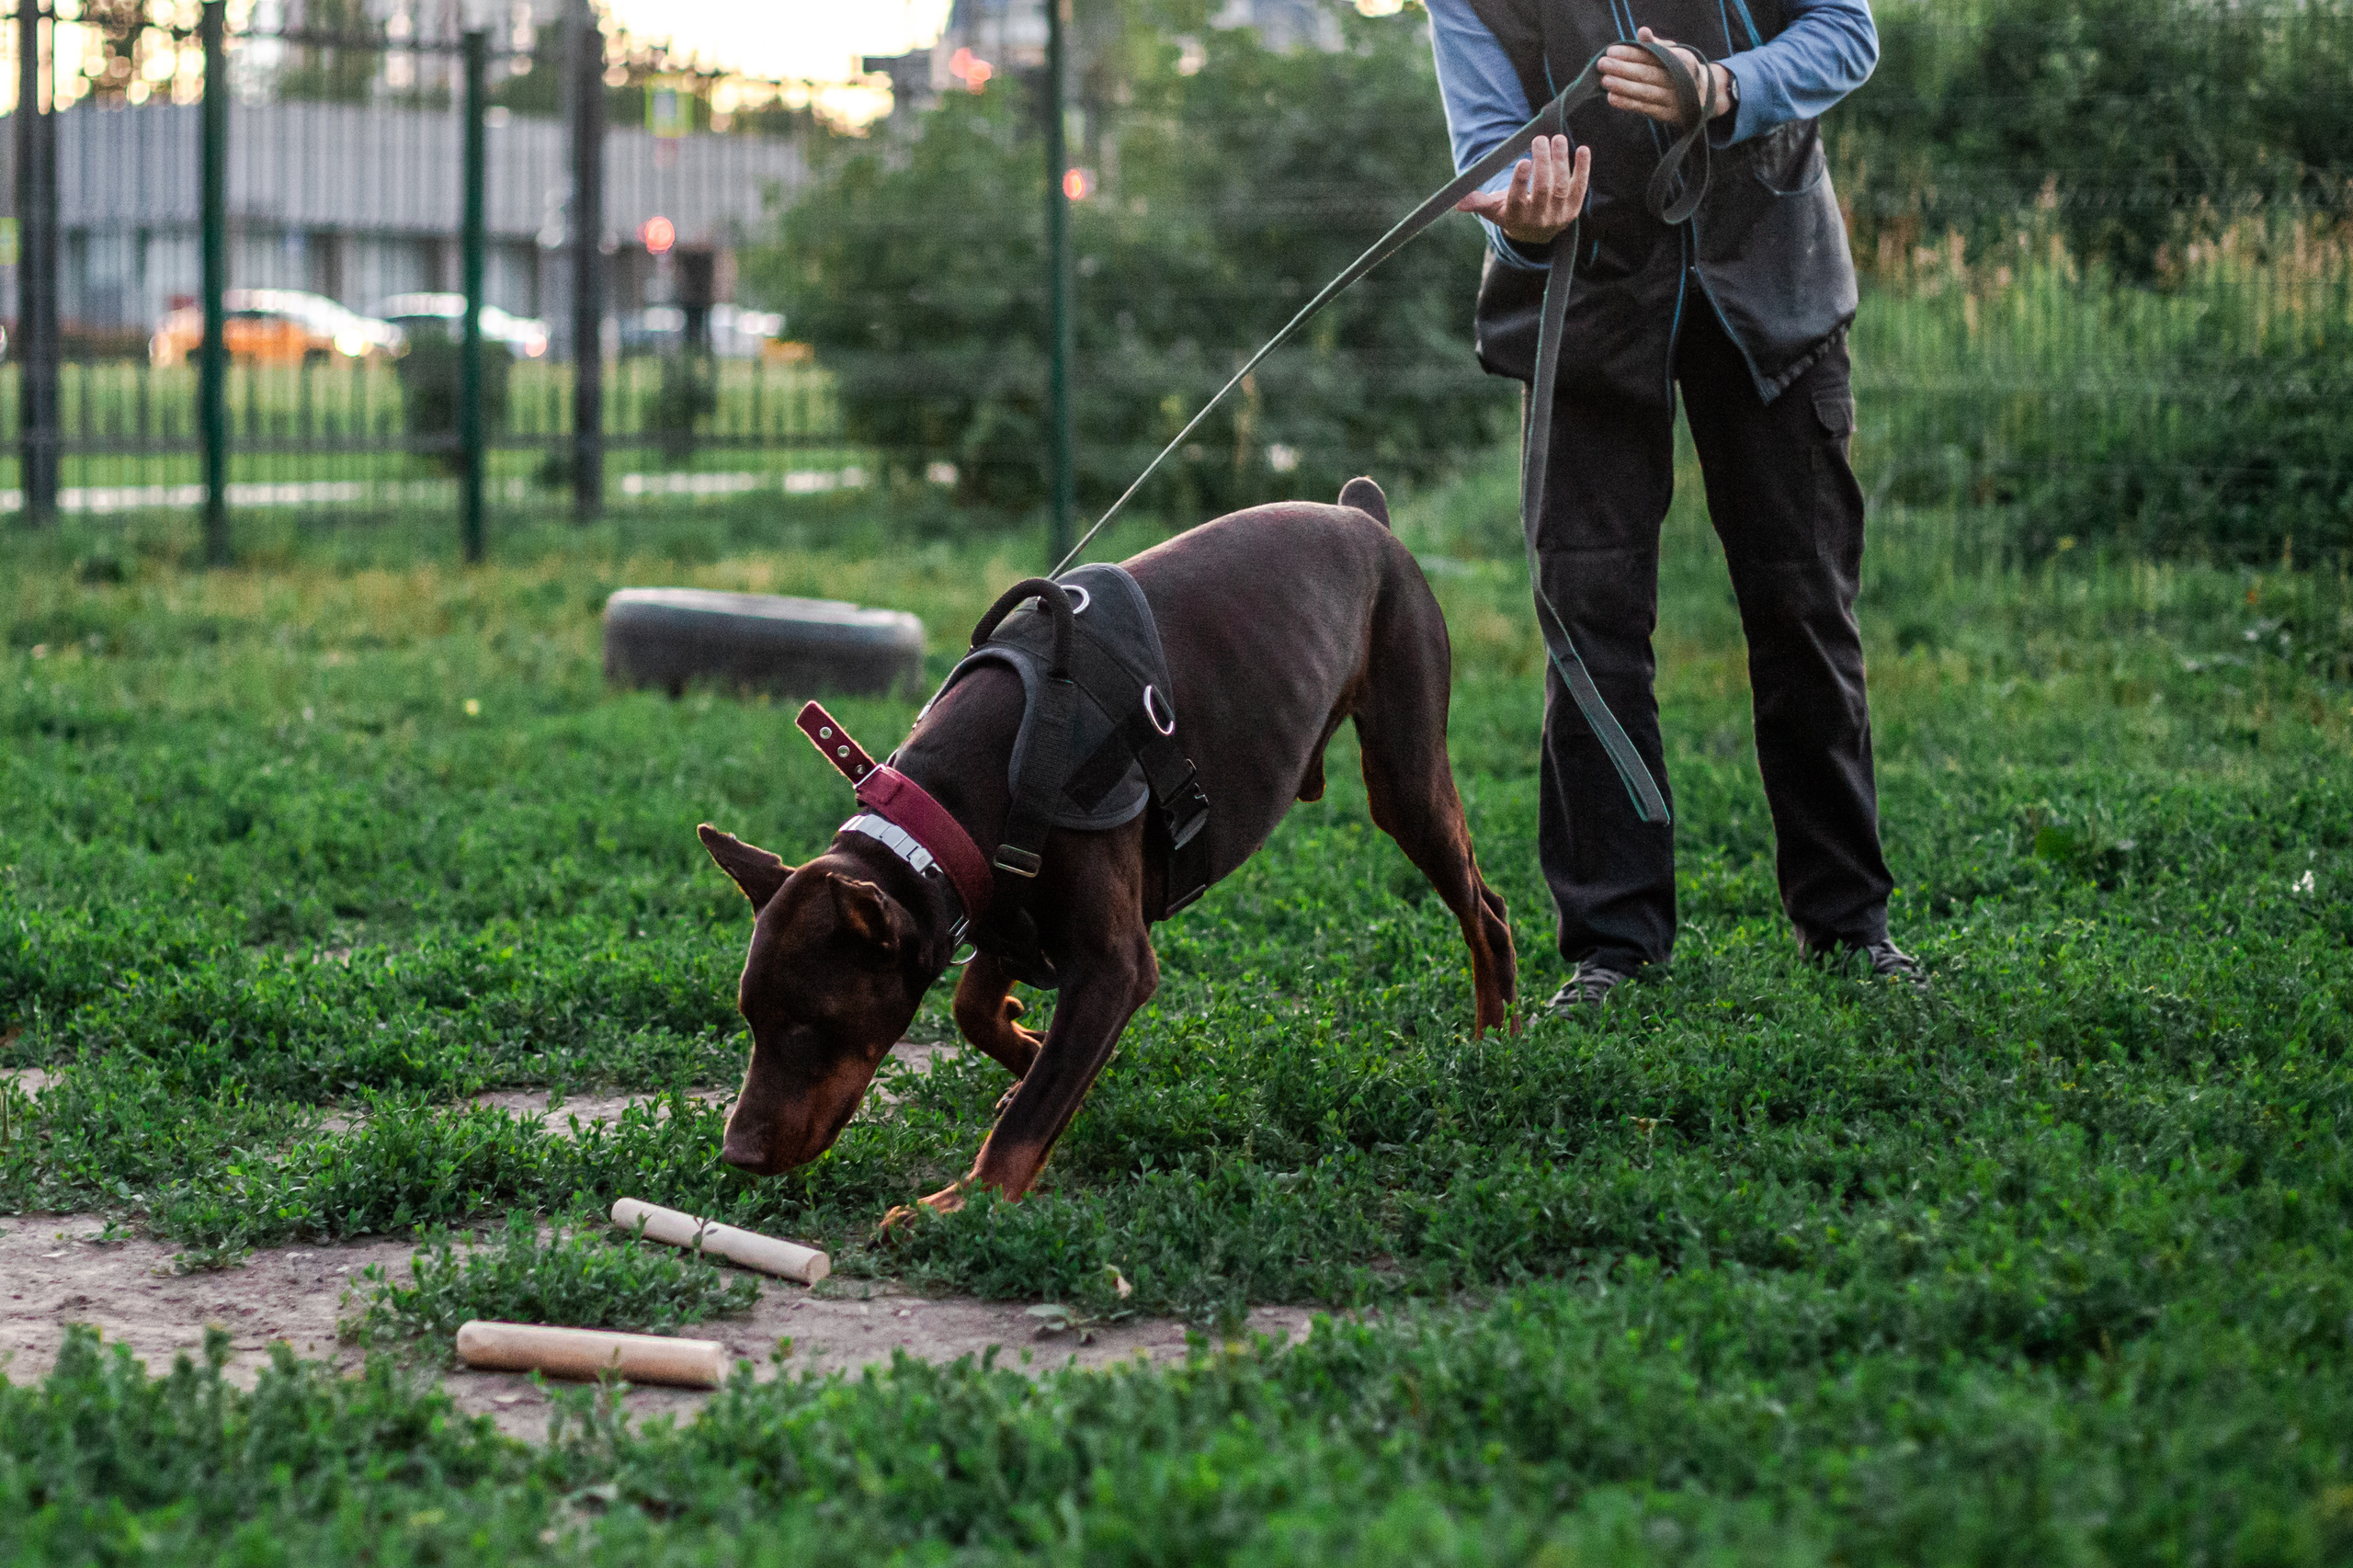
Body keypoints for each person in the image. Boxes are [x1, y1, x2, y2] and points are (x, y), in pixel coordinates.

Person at [1426, 0, 1923, 1011]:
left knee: (1804, 606)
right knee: (1590, 621)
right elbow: (1488, 151)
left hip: (1771, 276)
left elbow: (1844, 29)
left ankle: (1848, 928)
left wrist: (1725, 86)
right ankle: (1615, 949)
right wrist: (1520, 216)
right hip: (1590, 296)